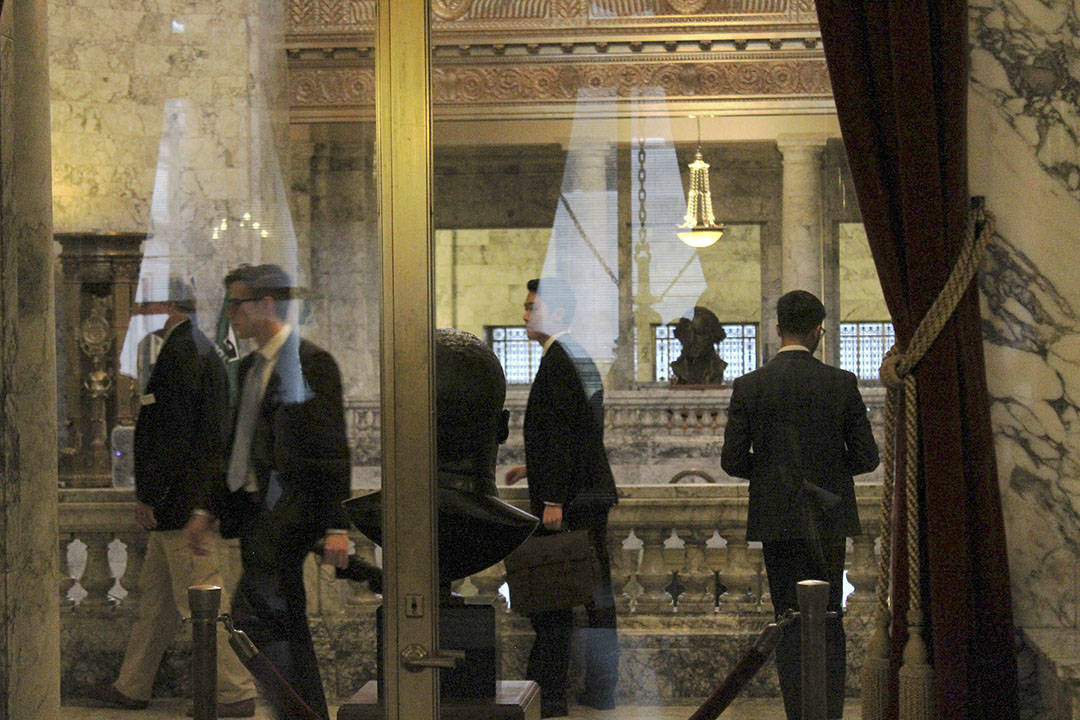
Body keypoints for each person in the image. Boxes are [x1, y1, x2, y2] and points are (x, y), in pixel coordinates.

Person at [186, 264, 350, 720]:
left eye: (237, 304)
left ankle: (300, 712)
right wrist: (208, 509)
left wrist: (338, 526)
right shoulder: (249, 368)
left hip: (290, 515)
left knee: (255, 616)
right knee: (278, 622)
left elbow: (330, 449)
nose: (231, 314)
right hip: (258, 514)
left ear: (267, 305)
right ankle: (305, 713)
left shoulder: (310, 363)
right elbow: (236, 448)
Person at [87, 277, 257, 717]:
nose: (138, 315)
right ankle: (132, 685)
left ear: (165, 305)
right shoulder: (195, 350)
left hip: (180, 507)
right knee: (157, 605)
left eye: (144, 305)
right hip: (180, 504)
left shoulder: (183, 354)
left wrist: (152, 496)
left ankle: (235, 692)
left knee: (202, 602)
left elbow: (174, 438)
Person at [720, 289, 879, 720]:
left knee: (787, 619)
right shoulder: (842, 383)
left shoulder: (749, 386)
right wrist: (823, 473)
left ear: (777, 330)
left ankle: (798, 713)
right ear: (818, 331)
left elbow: (732, 461)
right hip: (827, 516)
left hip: (777, 519)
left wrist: (776, 474)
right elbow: (868, 457)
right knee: (830, 618)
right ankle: (827, 713)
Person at [504, 277, 619, 718]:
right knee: (595, 599)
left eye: (533, 306)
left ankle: (551, 694)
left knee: (555, 599)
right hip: (585, 494)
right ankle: (598, 690)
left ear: (558, 313)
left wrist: (551, 496)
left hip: (569, 501)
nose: (525, 314)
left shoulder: (559, 360)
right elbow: (583, 434)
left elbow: (563, 437)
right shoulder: (576, 358)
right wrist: (534, 470)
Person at [669, 305, 728, 386]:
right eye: (687, 334)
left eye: (699, 333)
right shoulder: (678, 368)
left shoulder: (718, 368)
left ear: (712, 336)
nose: (692, 340)